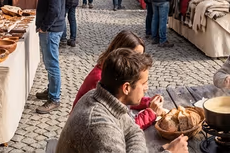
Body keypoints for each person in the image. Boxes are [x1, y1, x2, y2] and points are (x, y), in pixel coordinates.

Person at [57, 48, 188, 153]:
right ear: (126, 88)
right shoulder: (99, 127)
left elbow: (133, 131)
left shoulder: (104, 98)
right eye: (143, 84)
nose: (146, 89)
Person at [72, 30, 165, 130]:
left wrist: (147, 102)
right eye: (135, 56)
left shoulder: (109, 71)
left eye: (141, 56)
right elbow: (127, 128)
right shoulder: (102, 79)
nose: (140, 63)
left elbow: (125, 98)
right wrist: (151, 113)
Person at [33, 0, 66, 114]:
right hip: (51, 29)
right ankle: (51, 91)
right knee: (49, 63)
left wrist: (44, 27)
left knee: (52, 64)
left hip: (51, 30)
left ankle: (54, 98)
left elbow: (54, 9)